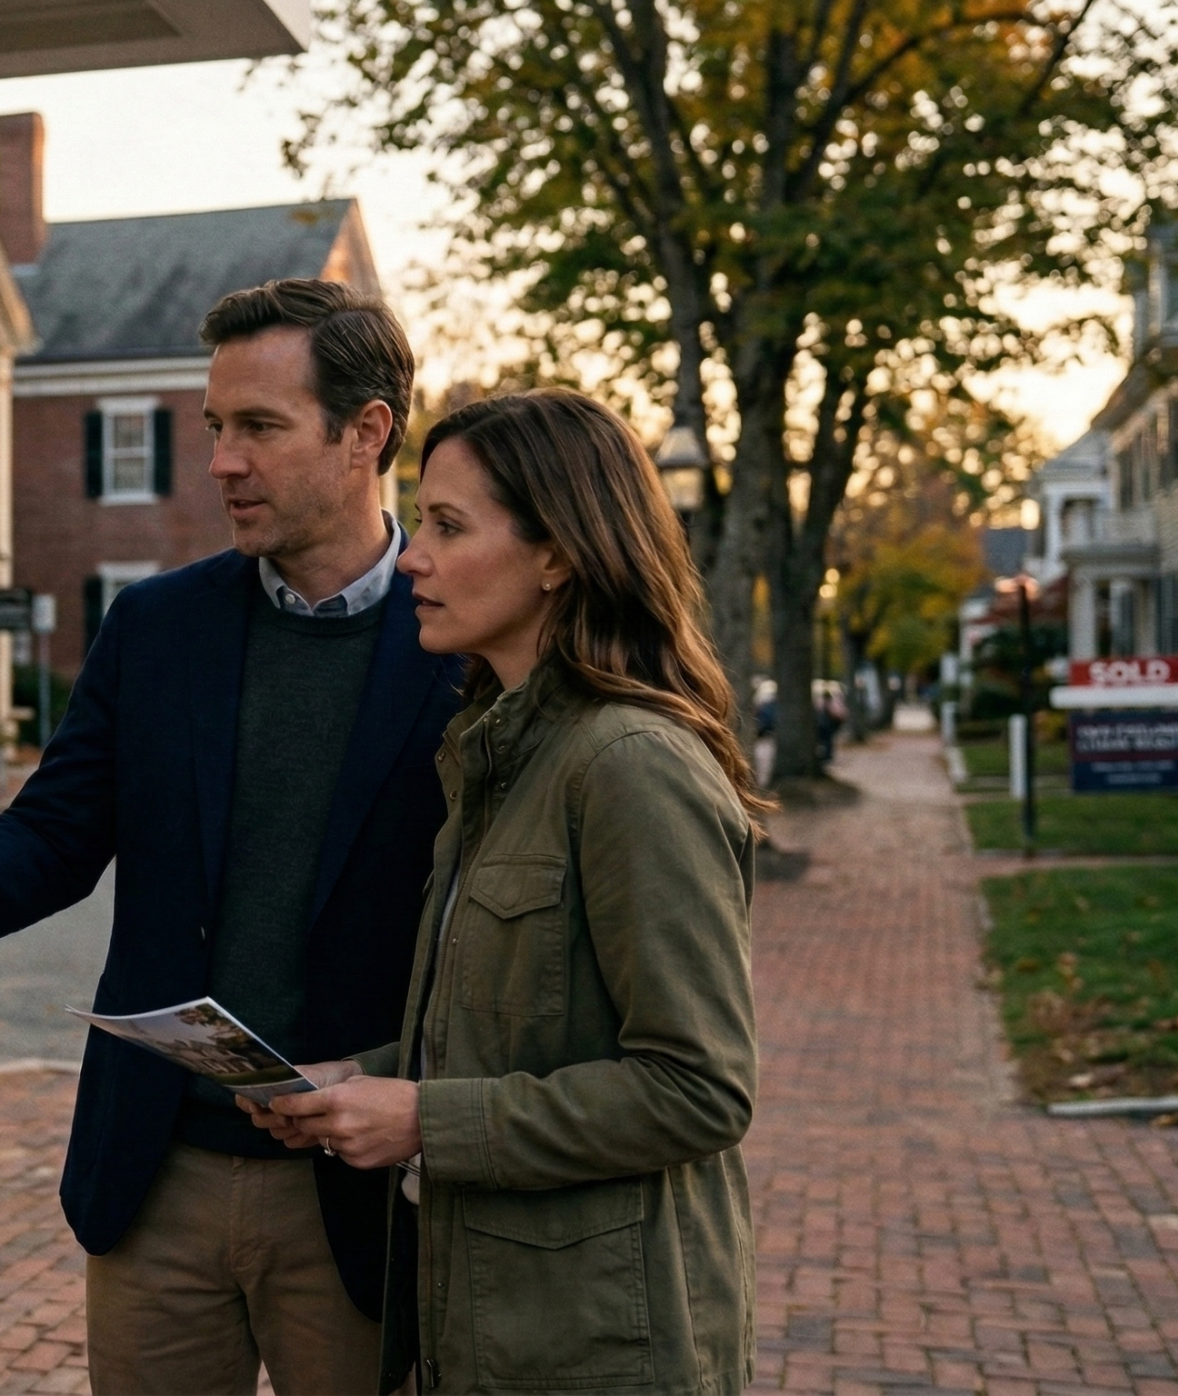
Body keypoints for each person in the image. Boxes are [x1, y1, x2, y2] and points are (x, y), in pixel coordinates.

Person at [0, 279, 463, 1395]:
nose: (222, 462)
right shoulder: (156, 625)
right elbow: (51, 834)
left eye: (259, 428)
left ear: (366, 434)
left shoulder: (462, 649)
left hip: (362, 1193)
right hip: (156, 1179)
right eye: (213, 429)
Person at [254, 388, 766, 1394]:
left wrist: (420, 1120)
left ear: (557, 553)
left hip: (601, 1348)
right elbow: (515, 1027)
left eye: (447, 525)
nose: (412, 557)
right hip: (488, 1328)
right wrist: (358, 1077)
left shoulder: (628, 764)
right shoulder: (497, 757)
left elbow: (699, 1088)